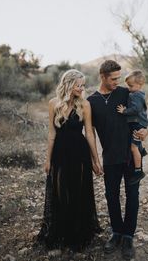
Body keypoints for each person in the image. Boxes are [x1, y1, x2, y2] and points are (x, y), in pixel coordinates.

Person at [87, 60, 148, 260]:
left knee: (132, 195)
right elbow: (90, 132)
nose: (117, 82)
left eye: (119, 78)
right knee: (111, 196)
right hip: (110, 157)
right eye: (113, 79)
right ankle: (117, 232)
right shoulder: (91, 101)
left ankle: (128, 236)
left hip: (130, 155)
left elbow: (141, 111)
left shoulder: (126, 93)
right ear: (103, 77)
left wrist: (146, 129)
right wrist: (94, 159)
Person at [36, 69, 103, 252]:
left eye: (83, 85)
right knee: (60, 190)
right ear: (68, 84)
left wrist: (96, 160)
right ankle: (61, 231)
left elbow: (89, 133)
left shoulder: (85, 105)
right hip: (59, 153)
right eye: (78, 85)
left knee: (78, 190)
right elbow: (51, 134)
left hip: (79, 152)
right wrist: (47, 159)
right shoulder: (53, 104)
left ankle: (77, 233)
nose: (82, 89)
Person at [117, 70, 148, 186]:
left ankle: (138, 171)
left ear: (139, 85)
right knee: (135, 144)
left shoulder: (136, 95)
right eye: (127, 85)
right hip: (138, 123)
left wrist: (124, 111)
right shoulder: (138, 94)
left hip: (137, 124)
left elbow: (136, 109)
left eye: (131, 86)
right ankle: (143, 151)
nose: (128, 88)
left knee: (133, 147)